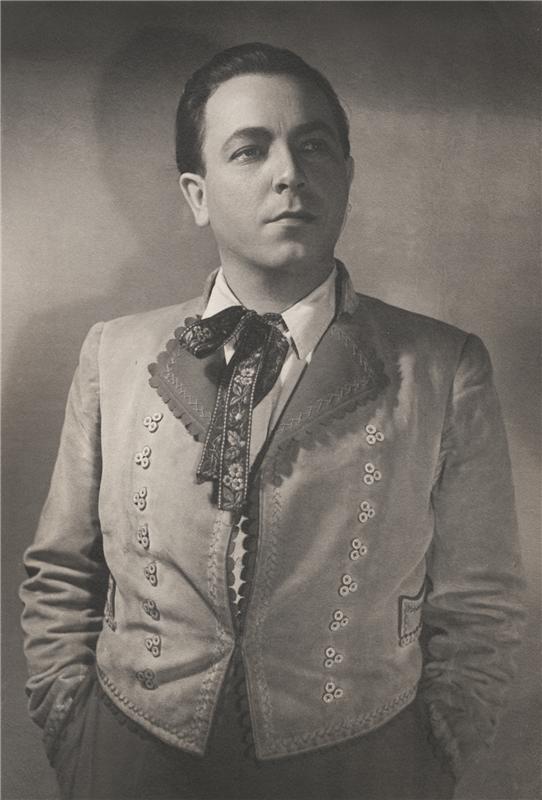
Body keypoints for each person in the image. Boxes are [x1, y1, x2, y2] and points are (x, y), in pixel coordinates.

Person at [20, 42, 526, 800]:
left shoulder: (442, 366)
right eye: (250, 150)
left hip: (360, 766)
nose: (289, 173)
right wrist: (73, 731)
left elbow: (481, 601)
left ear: (346, 175)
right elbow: (61, 570)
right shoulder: (114, 354)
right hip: (132, 758)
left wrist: (431, 760)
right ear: (197, 194)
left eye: (313, 146)